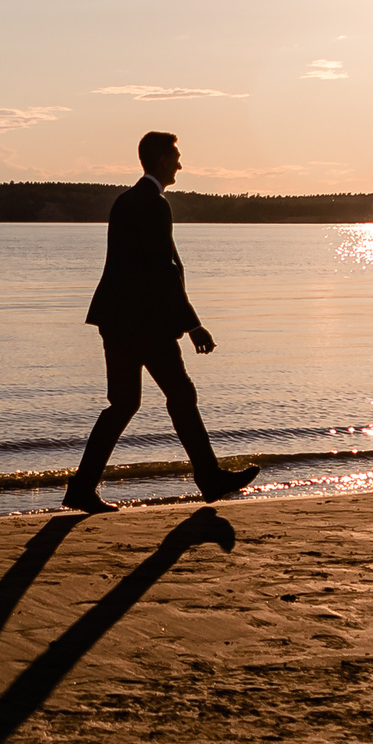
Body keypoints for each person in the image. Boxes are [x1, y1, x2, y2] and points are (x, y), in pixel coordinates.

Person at [63, 131, 260, 513]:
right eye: (175, 157)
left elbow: (146, 269)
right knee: (179, 396)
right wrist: (194, 325)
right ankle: (209, 478)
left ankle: (81, 489)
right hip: (145, 326)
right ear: (158, 160)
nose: (180, 165)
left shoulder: (124, 202)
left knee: (123, 404)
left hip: (117, 321)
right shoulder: (154, 204)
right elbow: (163, 271)